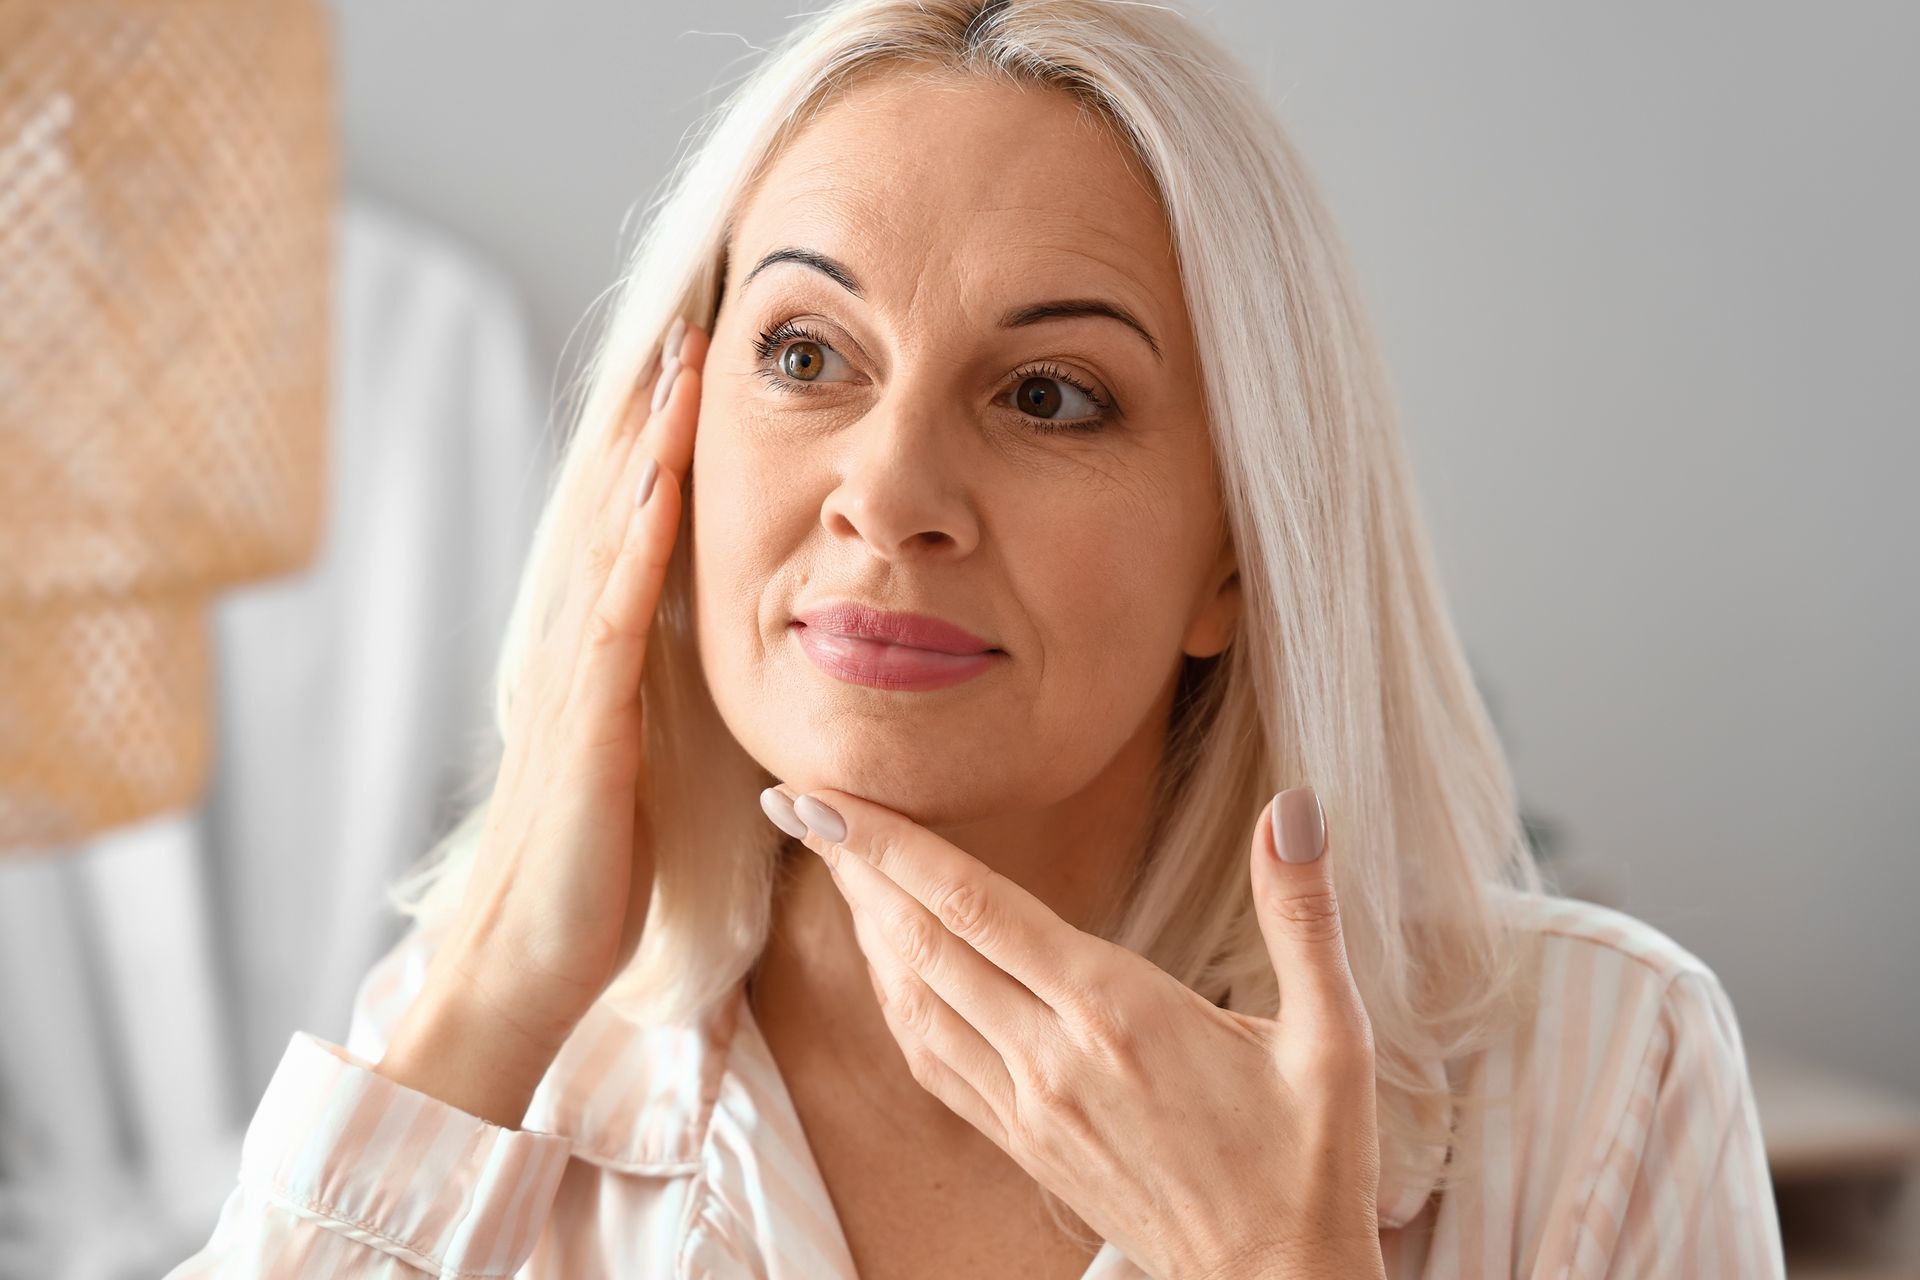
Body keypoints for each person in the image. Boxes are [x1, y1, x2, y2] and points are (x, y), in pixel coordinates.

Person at [167, 1, 1788, 1276]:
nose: (890, 495)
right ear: (667, 448)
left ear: (1239, 554)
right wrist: (500, 995)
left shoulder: (1602, 1071)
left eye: (1049, 396)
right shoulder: (462, 1051)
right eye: (806, 354)